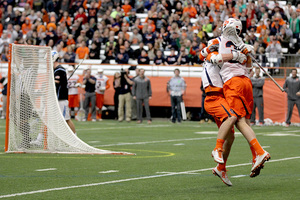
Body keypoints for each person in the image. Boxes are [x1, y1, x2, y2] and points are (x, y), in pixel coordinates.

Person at [216, 18, 270, 178]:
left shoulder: (220, 40)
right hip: (246, 82)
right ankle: (255, 157)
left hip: (233, 82)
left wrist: (242, 54)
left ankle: (259, 152)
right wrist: (245, 54)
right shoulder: (241, 44)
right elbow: (248, 68)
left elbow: (214, 56)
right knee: (245, 122)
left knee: (236, 119)